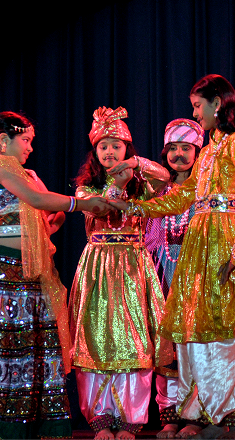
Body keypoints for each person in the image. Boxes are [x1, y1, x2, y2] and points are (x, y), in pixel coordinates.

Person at [117, 74, 235, 440]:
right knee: (194, 330)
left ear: (217, 103)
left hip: (226, 242)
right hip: (199, 245)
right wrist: (137, 209)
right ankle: (200, 412)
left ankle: (229, 415)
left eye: (197, 105)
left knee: (227, 329)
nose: (196, 113)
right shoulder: (207, 153)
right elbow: (181, 197)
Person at [0, 112, 114, 440]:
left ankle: (22, 423)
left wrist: (47, 225)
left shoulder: (20, 172)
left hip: (24, 269)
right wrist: (82, 204)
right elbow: (37, 199)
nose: (30, 147)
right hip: (2, 268)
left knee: (26, 345)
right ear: (4, 140)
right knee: (3, 344)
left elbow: (32, 214)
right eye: (25, 140)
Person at [69, 106, 172, 440]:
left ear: (128, 148)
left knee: (135, 338)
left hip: (132, 265)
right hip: (98, 265)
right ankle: (100, 419)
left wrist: (135, 167)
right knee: (96, 339)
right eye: (103, 145)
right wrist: (119, 182)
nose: (110, 150)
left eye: (117, 144)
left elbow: (165, 177)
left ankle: (130, 419)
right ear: (95, 153)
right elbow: (103, 206)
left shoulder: (141, 186)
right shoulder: (86, 190)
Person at [143, 118, 204, 438]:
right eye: (173, 148)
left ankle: (194, 414)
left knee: (194, 346)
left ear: (197, 151)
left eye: (186, 148)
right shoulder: (157, 189)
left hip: (195, 275)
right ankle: (169, 414)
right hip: (163, 272)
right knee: (164, 346)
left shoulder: (205, 188)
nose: (179, 154)